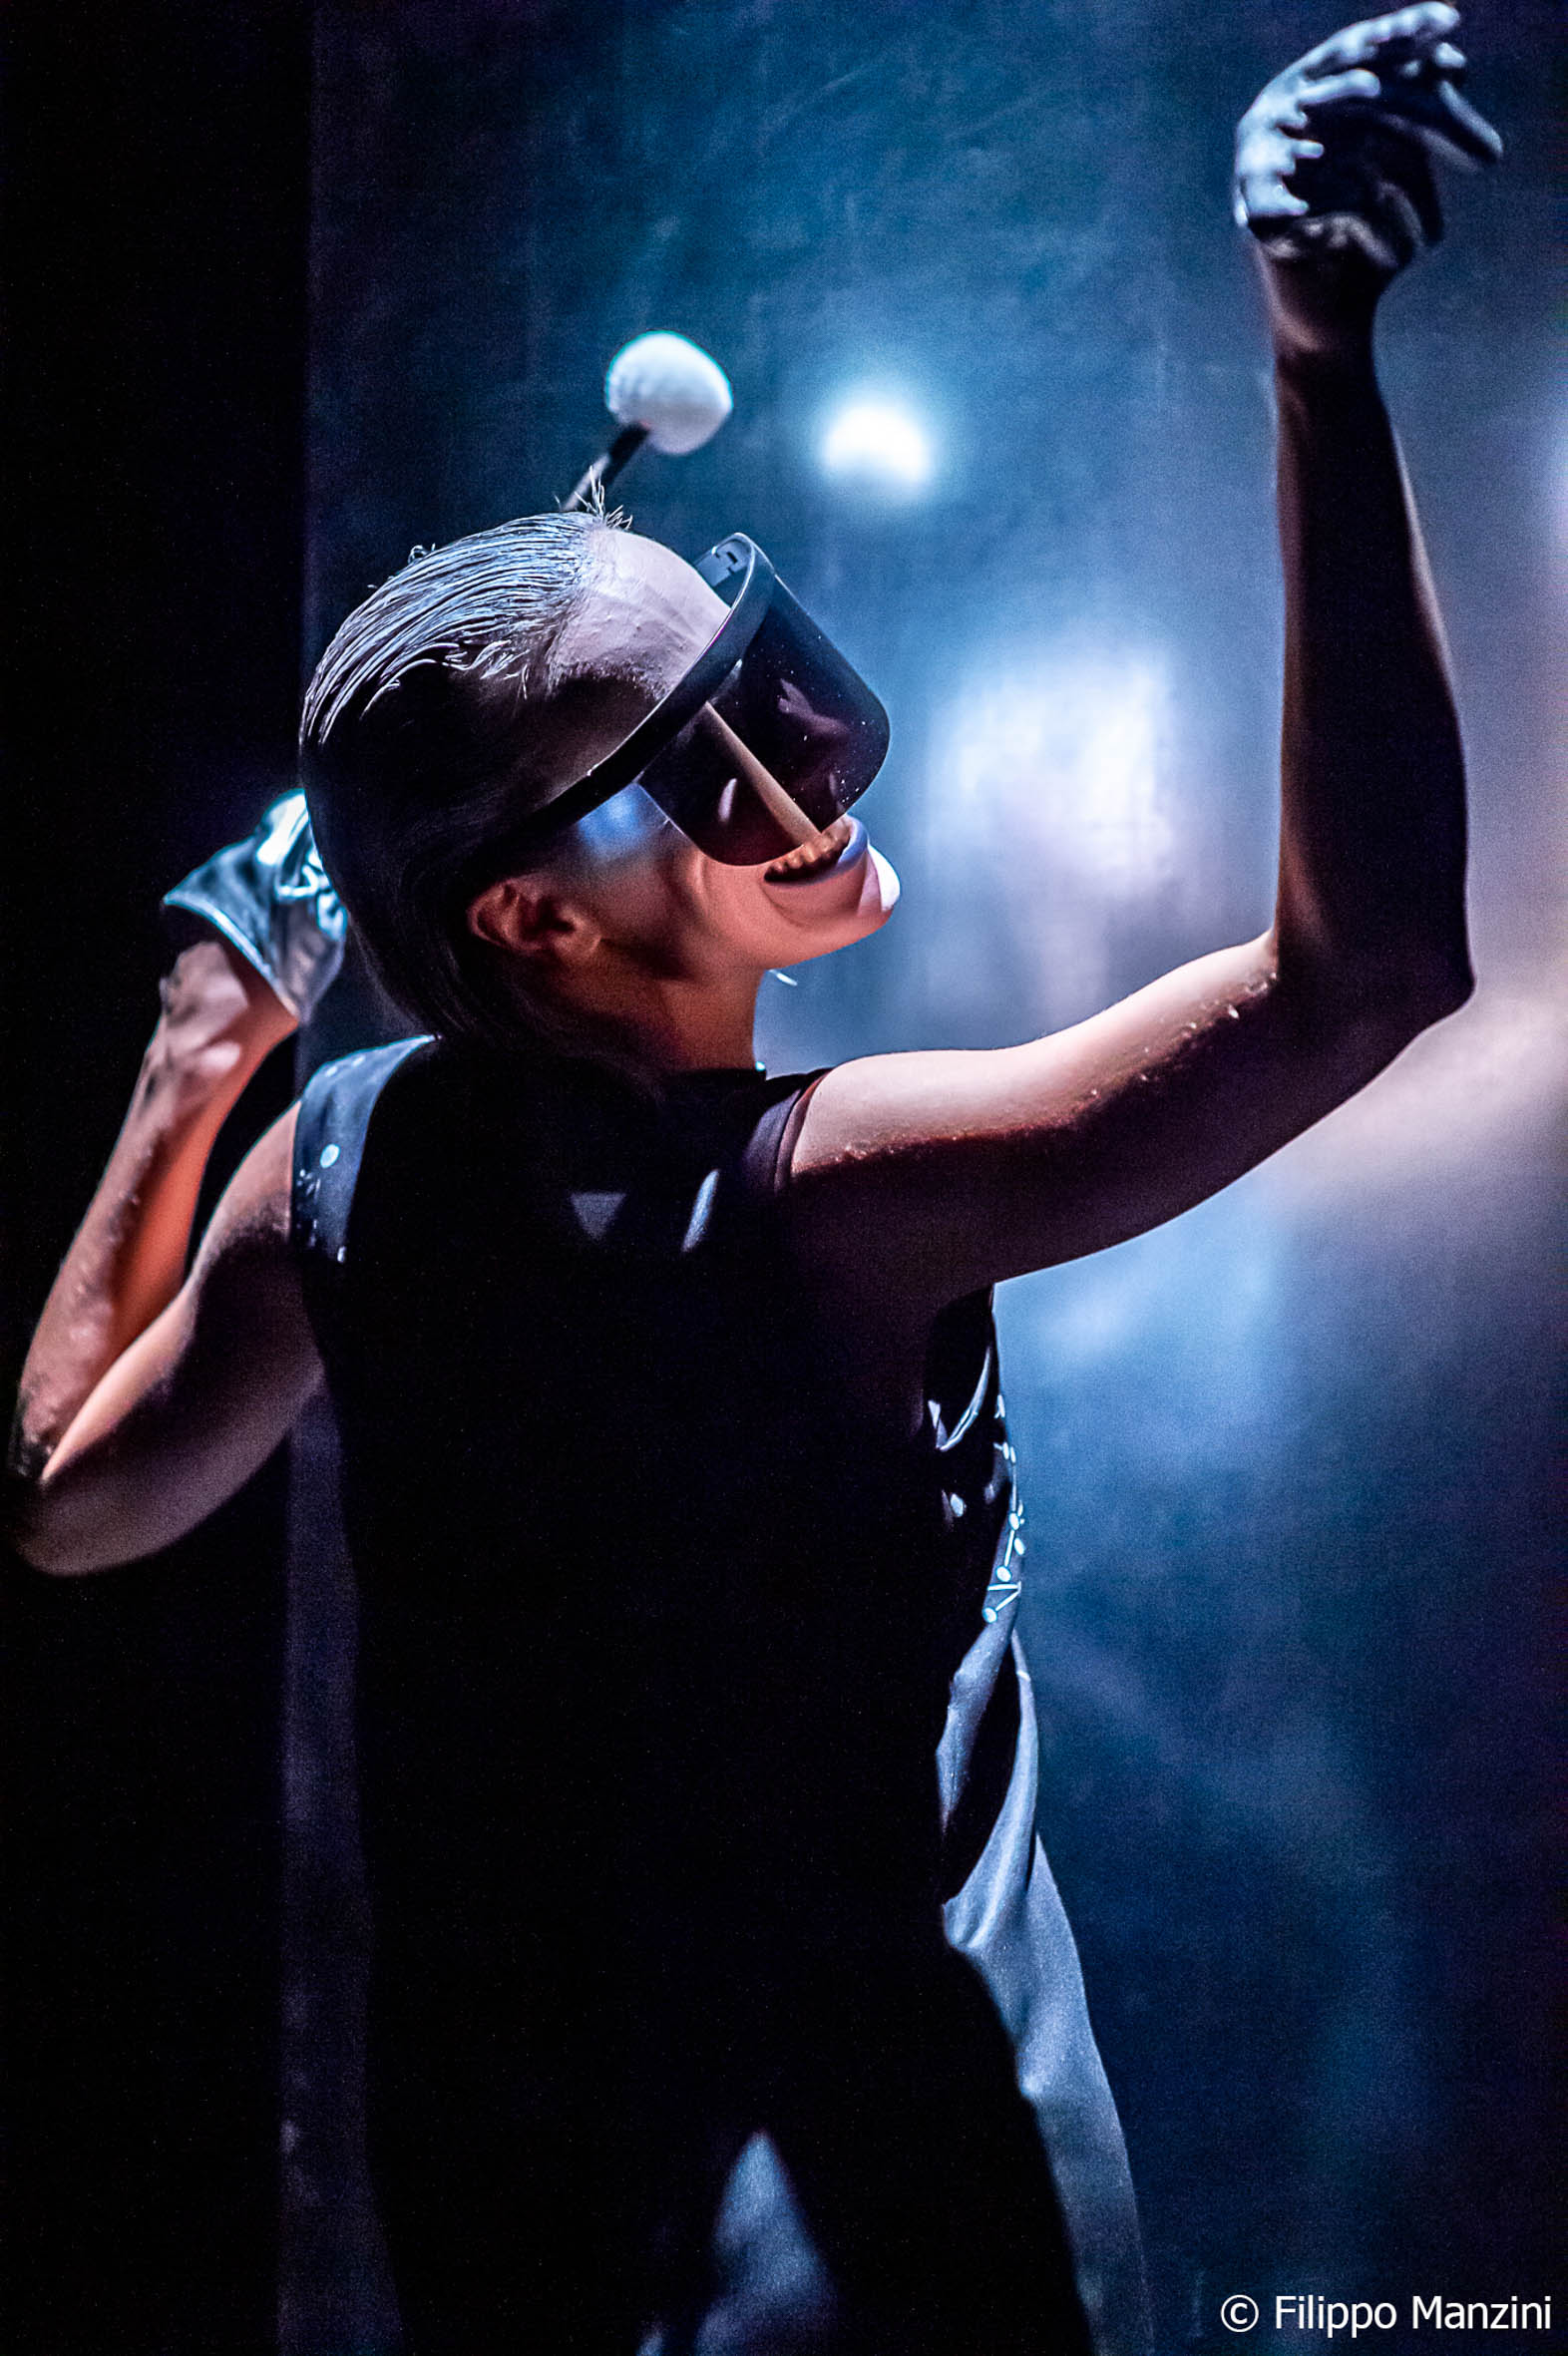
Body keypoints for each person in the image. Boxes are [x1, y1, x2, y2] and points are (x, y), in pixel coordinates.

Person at [8, 12, 1499, 2352]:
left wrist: (200, 1055)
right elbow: (1369, 970)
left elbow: (63, 1498)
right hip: (920, 2276)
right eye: (711, 753)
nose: (807, 750)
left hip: (515, 2258)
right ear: (534, 916)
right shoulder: (832, 1197)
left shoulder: (336, 1173)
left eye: (764, 667)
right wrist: (1316, 357)